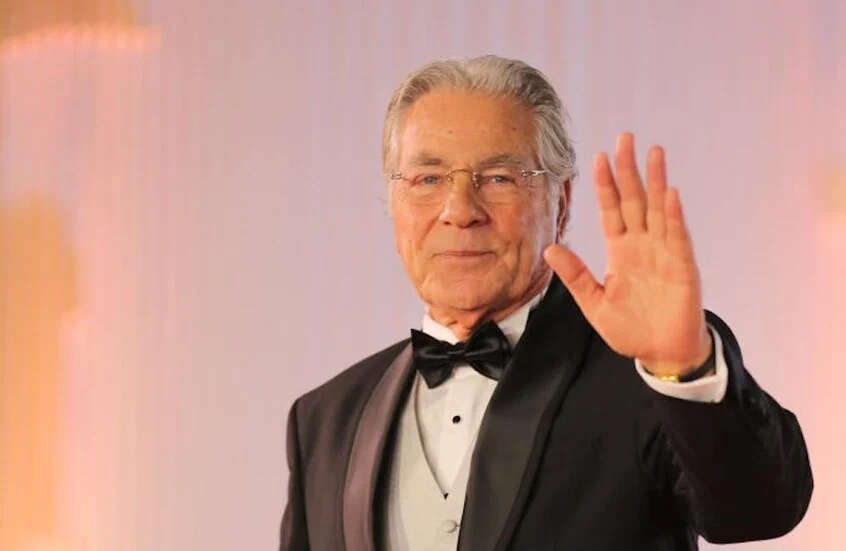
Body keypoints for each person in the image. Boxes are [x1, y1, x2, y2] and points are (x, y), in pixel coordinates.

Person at [279, 55, 813, 551]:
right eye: (428, 179)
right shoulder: (323, 419)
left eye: (498, 178)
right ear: (395, 204)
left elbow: (758, 511)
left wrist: (683, 367)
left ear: (561, 203)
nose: (459, 210)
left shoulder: (648, 375)